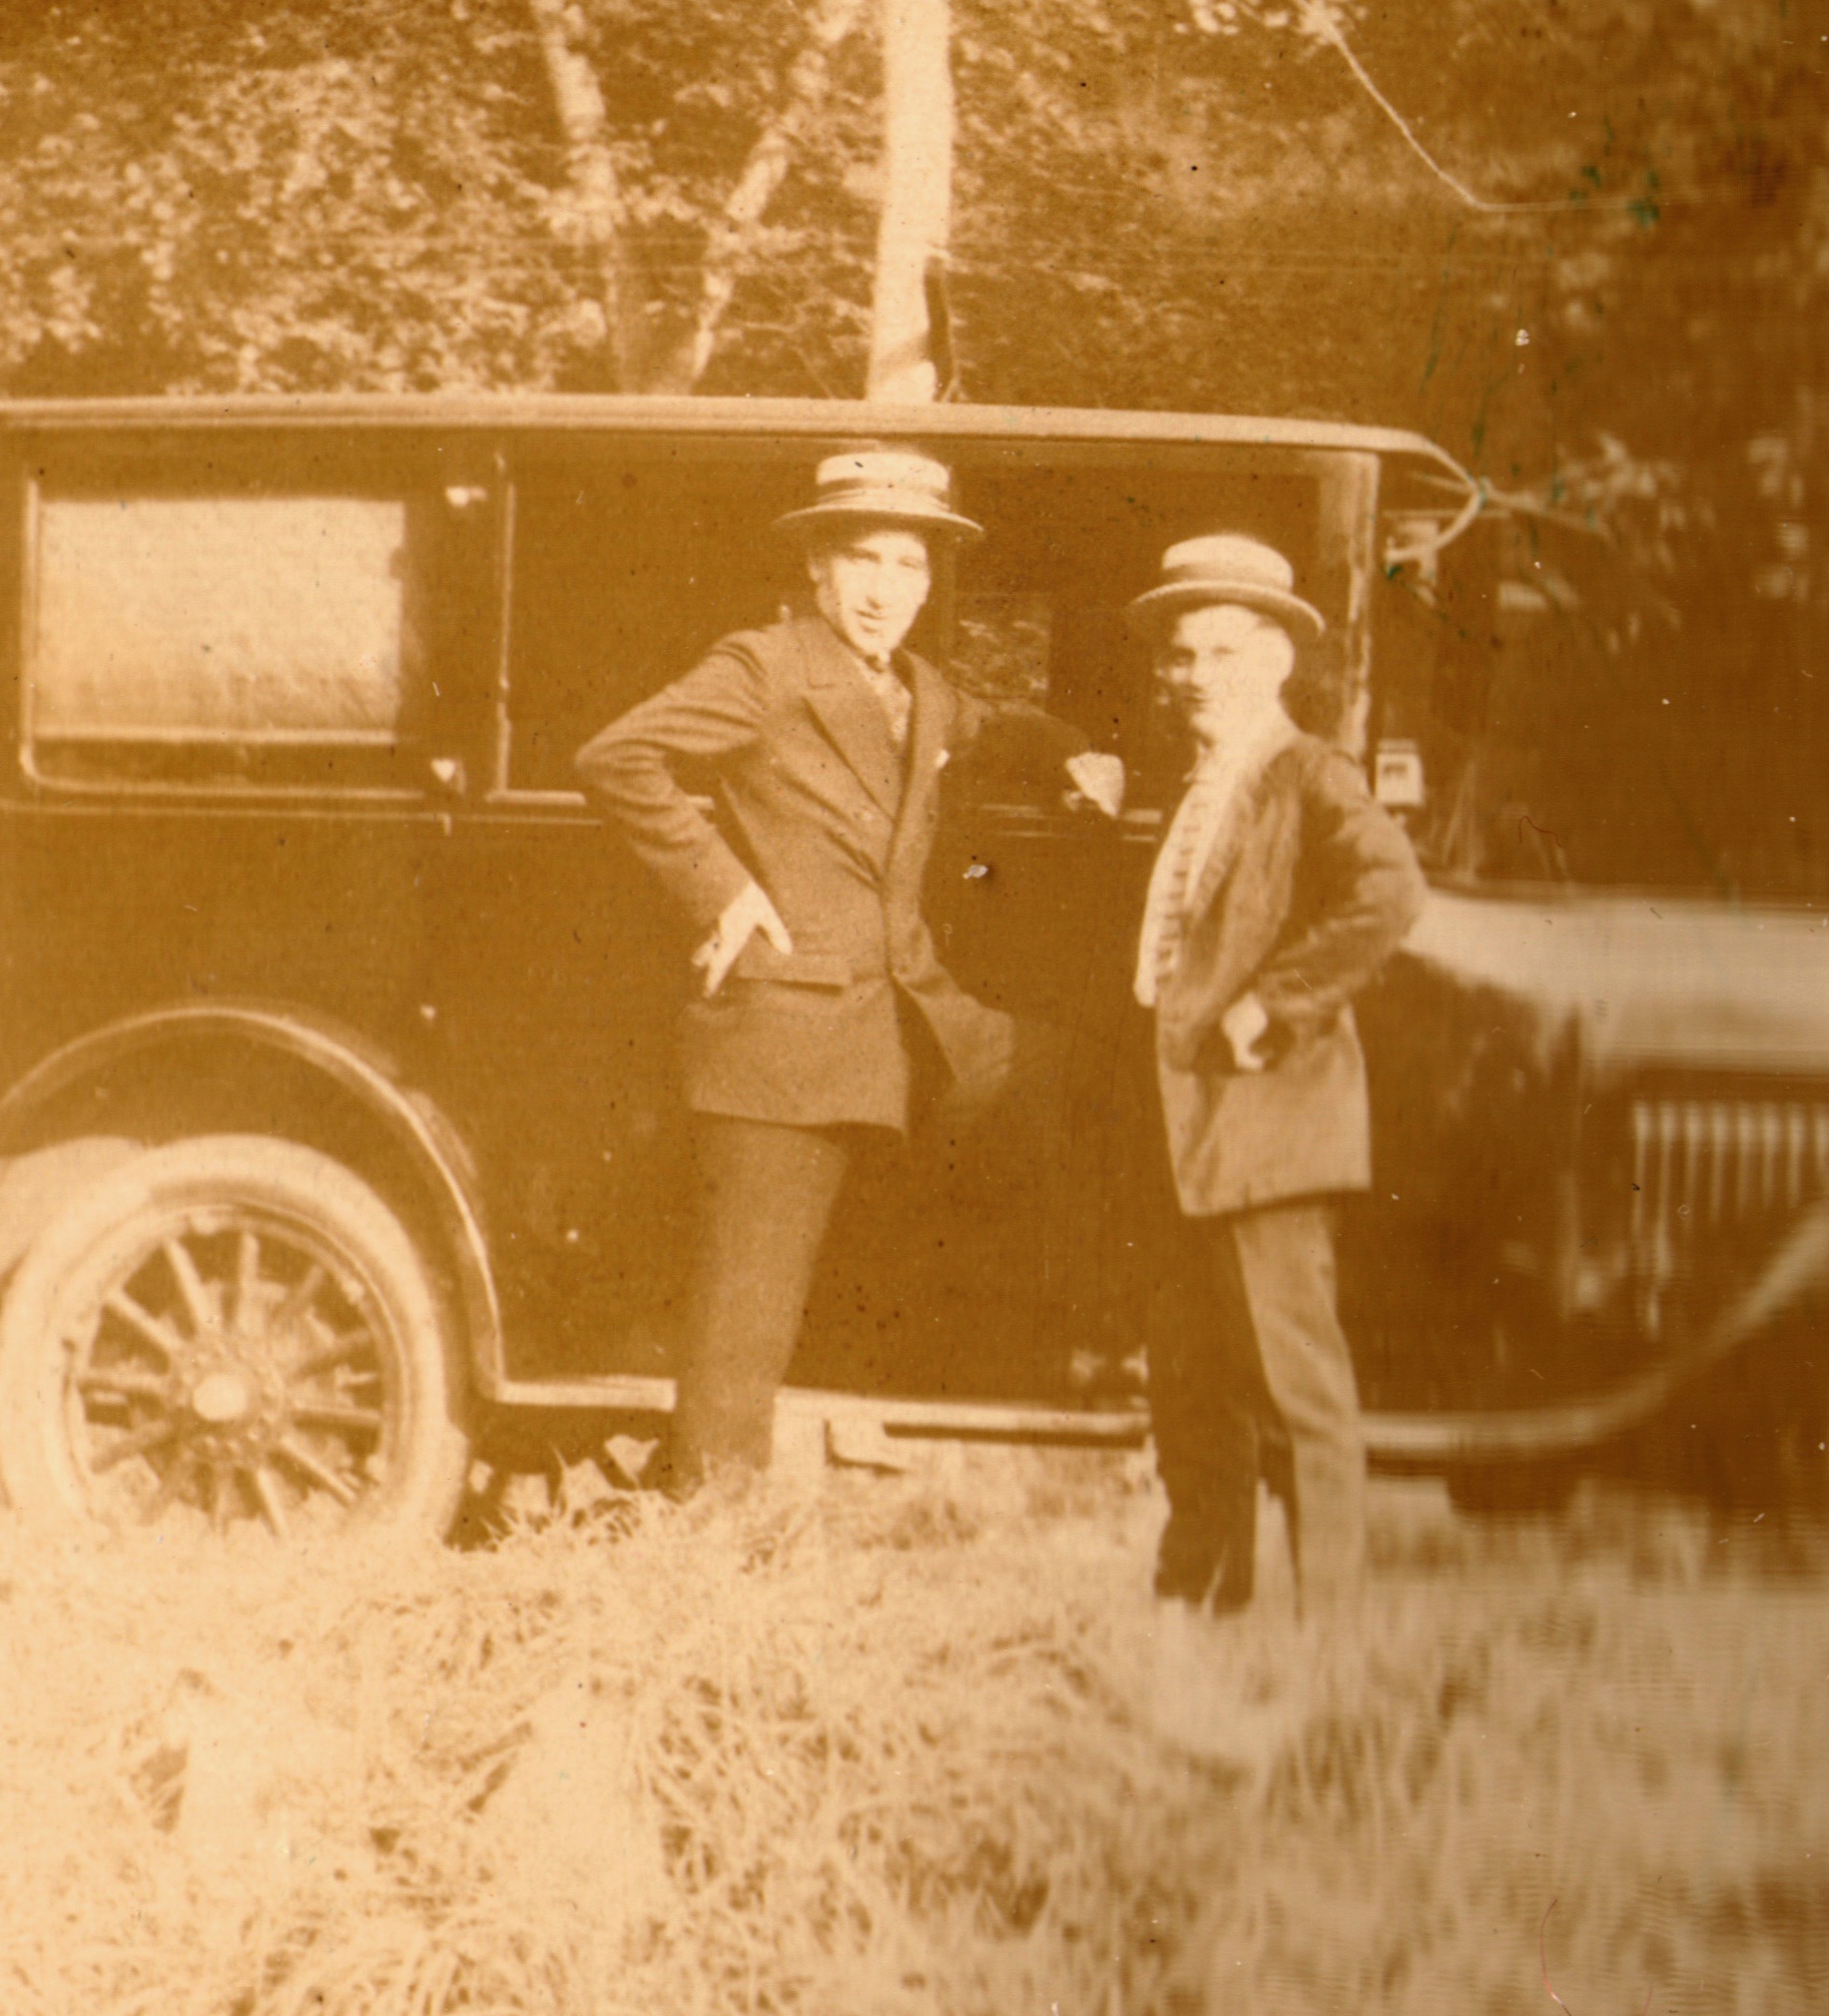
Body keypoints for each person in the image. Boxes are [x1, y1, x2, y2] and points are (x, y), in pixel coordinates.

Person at [574, 448, 1110, 1494]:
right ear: (817, 566)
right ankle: (709, 1522)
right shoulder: (765, 666)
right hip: (785, 1029)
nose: (882, 589)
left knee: (1084, 1073)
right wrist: (720, 886)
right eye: (861, 559)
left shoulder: (919, 689)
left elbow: (994, 726)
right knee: (747, 1308)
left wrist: (1074, 754)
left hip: (907, 1016)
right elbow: (617, 756)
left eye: (907, 564)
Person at [1122, 534, 1426, 1714]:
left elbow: (1388, 890)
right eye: (1181, 655)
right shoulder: (1200, 786)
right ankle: (1197, 1628)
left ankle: (1330, 1660)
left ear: (1279, 662)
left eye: (1224, 653)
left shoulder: (1307, 773)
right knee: (1193, 1391)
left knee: (1299, 1402)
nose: (1195, 676)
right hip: (1190, 1137)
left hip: (1269, 1129)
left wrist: (1275, 1004)